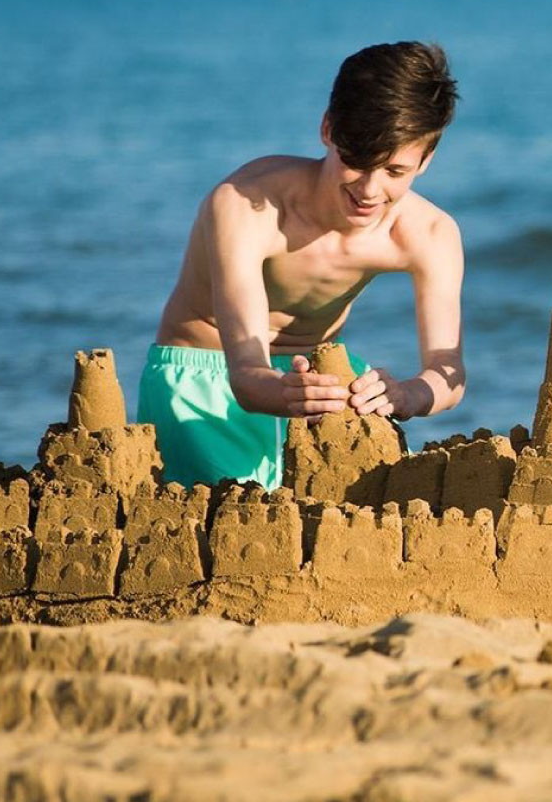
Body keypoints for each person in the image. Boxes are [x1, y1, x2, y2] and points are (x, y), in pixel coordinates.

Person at [138, 41, 468, 489]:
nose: (370, 190)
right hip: (204, 382)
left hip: (319, 382)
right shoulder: (247, 205)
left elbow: (449, 374)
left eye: (394, 171)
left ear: (426, 160)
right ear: (328, 130)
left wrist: (406, 394)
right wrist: (294, 392)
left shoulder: (429, 234)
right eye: (357, 161)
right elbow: (248, 376)